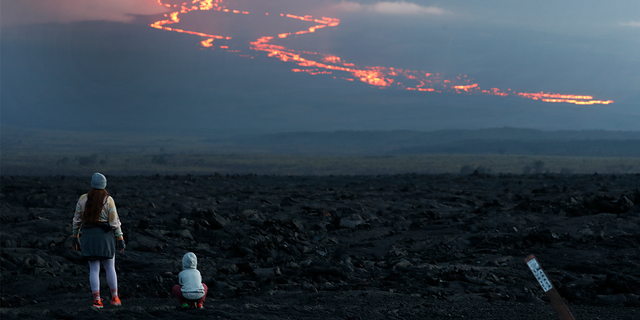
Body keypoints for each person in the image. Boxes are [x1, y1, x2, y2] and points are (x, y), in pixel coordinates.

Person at [71, 172, 126, 308]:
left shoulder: (83, 199)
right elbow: (114, 222)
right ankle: (115, 298)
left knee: (94, 270)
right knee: (110, 268)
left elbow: (77, 221)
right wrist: (120, 238)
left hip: (89, 237)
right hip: (105, 238)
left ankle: (97, 300)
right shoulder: (108, 200)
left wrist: (75, 237)